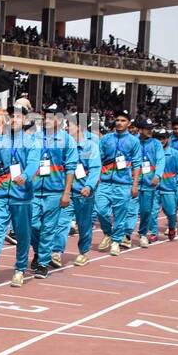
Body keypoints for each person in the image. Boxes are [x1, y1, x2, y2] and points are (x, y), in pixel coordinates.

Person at [0, 107, 36, 289]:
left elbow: (33, 163)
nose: (15, 119)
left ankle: (19, 269)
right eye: (12, 116)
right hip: (0, 194)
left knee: (23, 234)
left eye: (19, 116)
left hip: (21, 196)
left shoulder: (31, 141)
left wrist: (24, 176)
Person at [27, 103, 77, 275]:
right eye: (45, 115)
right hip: (33, 191)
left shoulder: (67, 140)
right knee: (32, 225)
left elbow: (71, 168)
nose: (46, 119)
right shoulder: (34, 137)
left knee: (48, 228)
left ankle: (42, 262)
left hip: (54, 192)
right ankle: (40, 252)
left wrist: (66, 193)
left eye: (51, 116)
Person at [95, 109, 141, 256]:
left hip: (124, 184)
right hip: (105, 183)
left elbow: (137, 164)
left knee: (120, 215)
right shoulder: (106, 139)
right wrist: (96, 178)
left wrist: (134, 185)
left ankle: (115, 241)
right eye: (118, 120)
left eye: (123, 121)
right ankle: (108, 233)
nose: (120, 123)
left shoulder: (134, 141)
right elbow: (98, 160)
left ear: (128, 123)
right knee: (101, 210)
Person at [60, 115, 101, 265]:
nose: (65, 128)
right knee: (62, 223)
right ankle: (57, 251)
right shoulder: (64, 146)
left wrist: (89, 186)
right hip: (67, 192)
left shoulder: (91, 147)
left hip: (84, 193)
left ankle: (84, 252)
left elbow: (96, 168)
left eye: (69, 125)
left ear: (79, 127)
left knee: (84, 225)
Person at [153, 126, 178, 242]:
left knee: (170, 212)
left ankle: (172, 227)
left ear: (167, 139)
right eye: (158, 138)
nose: (160, 141)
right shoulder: (151, 153)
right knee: (151, 211)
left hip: (168, 188)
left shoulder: (174, 154)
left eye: (163, 138)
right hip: (153, 188)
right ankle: (153, 232)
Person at [131, 118, 162, 247]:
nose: (150, 131)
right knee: (130, 210)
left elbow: (161, 160)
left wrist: (158, 175)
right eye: (147, 128)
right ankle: (125, 234)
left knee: (146, 211)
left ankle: (143, 234)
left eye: (151, 128)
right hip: (132, 182)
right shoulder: (133, 141)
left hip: (149, 183)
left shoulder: (156, 143)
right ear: (140, 129)